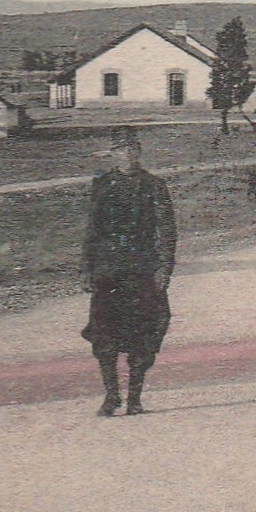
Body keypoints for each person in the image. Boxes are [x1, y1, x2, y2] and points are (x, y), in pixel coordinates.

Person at [81, 127, 176, 417]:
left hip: (143, 268)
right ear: (112, 153)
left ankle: (135, 397)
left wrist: (164, 268)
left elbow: (167, 230)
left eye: (132, 148)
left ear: (139, 152)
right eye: (121, 149)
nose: (127, 154)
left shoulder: (154, 185)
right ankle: (111, 396)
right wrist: (86, 268)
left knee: (144, 333)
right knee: (104, 334)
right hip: (108, 269)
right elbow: (92, 228)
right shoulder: (102, 184)